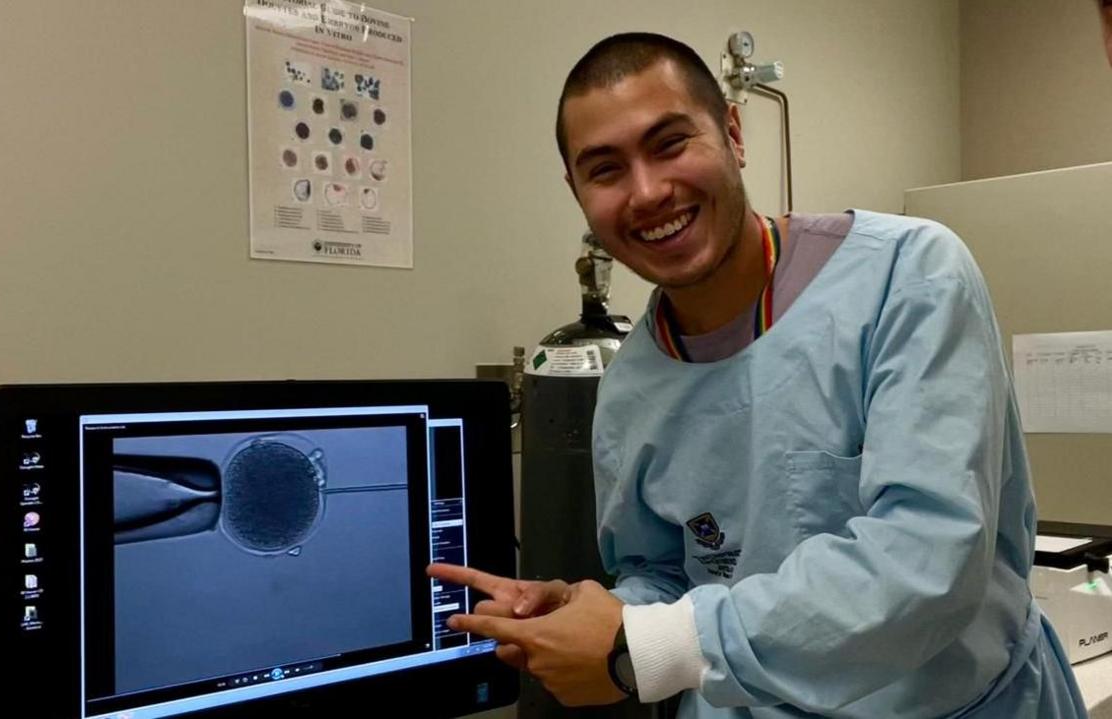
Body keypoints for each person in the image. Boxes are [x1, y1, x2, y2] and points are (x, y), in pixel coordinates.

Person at [429, 33, 1089, 718]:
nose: (649, 191)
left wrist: (643, 645)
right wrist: (593, 615)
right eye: (605, 169)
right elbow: (665, 574)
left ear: (734, 133)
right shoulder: (630, 388)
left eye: (670, 143)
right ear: (578, 193)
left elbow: (925, 560)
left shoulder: (909, 277)